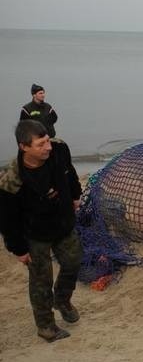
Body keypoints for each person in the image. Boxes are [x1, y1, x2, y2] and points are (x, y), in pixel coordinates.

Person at [0, 120, 83, 342]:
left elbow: (70, 171)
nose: (47, 147)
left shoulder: (59, 149)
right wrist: (18, 249)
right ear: (23, 147)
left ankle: (62, 299)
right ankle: (46, 326)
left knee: (73, 262)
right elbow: (7, 218)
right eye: (40, 144)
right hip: (34, 233)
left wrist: (75, 195)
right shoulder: (11, 178)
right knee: (41, 280)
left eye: (47, 141)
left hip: (63, 222)